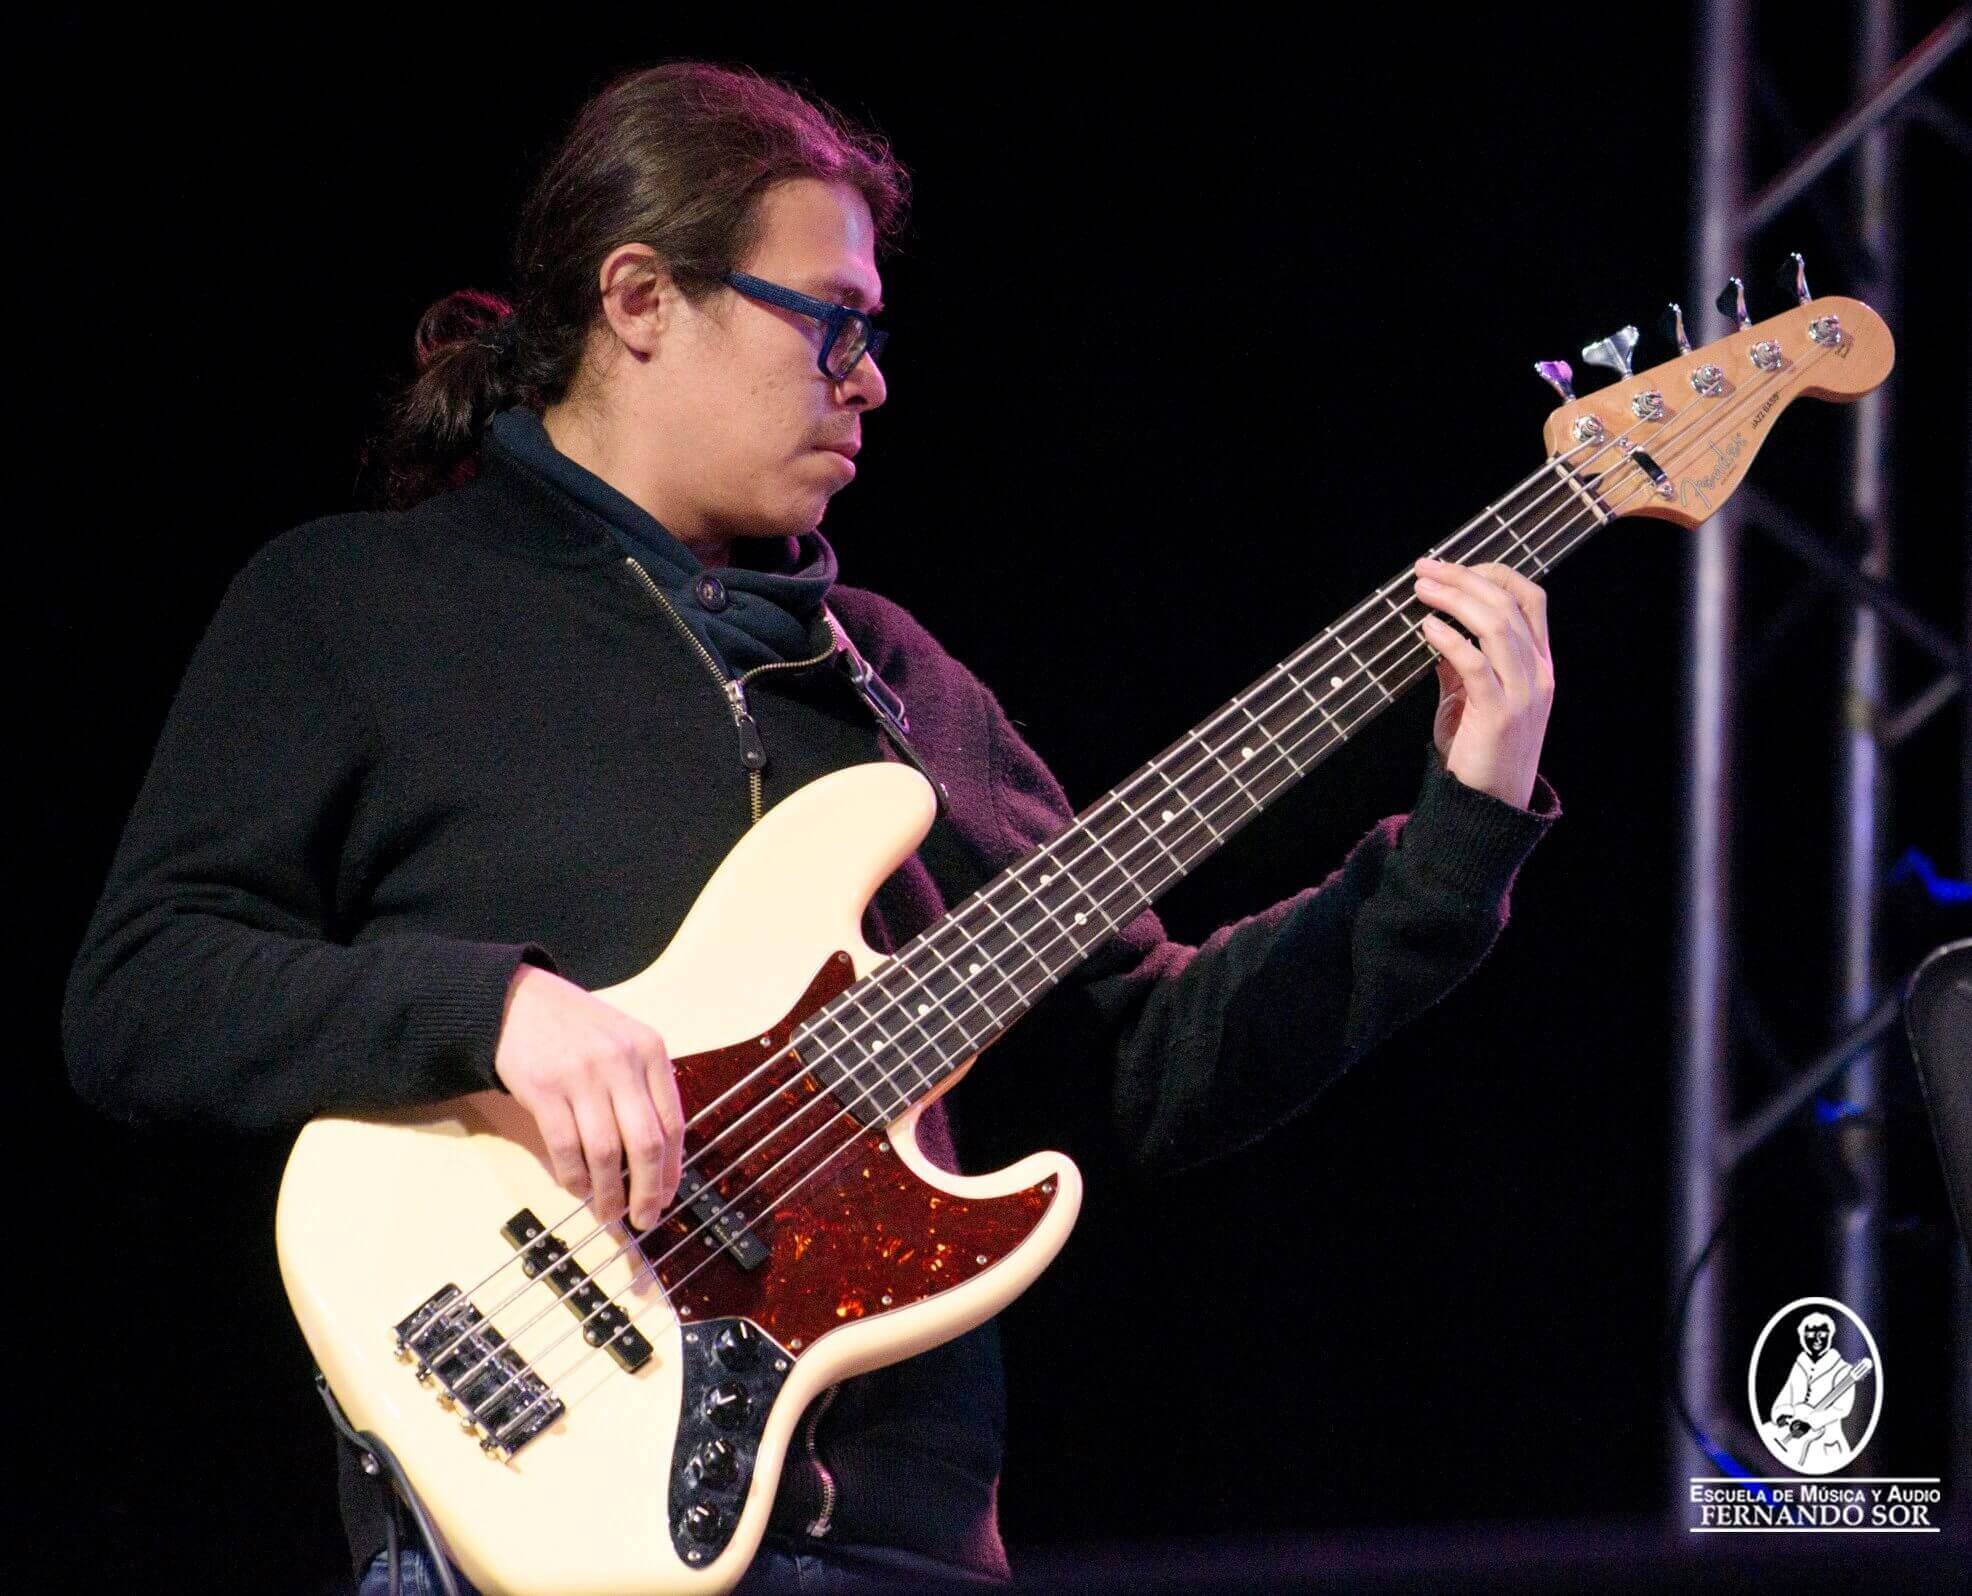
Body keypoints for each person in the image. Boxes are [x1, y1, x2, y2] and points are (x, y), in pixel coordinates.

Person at [63, 61, 1560, 1594]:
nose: (872, 382)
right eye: (832, 321)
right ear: (642, 299)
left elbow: (1151, 1065)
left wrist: (1460, 835)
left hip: (898, 1551)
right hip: (516, 1517)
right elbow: (141, 992)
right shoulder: (355, 607)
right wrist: (492, 1009)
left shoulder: (900, 680)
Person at [1767, 1312, 1858, 1472]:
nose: (1817, 1340)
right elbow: (1787, 1395)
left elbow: (1842, 1409)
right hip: (1792, 1436)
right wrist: (1782, 1415)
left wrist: (1811, 1422)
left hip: (1825, 1443)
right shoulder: (1800, 1365)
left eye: (1822, 1335)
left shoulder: (1842, 1370)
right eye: (1811, 1335)